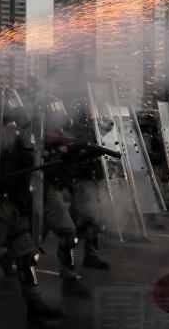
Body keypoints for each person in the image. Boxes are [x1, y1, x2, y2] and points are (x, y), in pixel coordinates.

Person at [0, 86, 63, 322]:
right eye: (9, 104)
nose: (15, 107)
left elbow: (33, 153)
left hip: (16, 206)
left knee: (28, 257)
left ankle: (34, 302)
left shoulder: (19, 137)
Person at [35, 95, 91, 297]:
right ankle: (68, 275)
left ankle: (11, 257)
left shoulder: (61, 133)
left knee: (30, 238)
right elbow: (42, 150)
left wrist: (80, 150)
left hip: (55, 187)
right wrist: (61, 148)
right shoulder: (35, 134)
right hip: (43, 187)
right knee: (68, 232)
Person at [67, 98, 110, 270]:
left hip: (92, 179)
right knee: (66, 224)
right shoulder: (74, 130)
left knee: (94, 219)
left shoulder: (97, 129)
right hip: (78, 180)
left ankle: (91, 254)